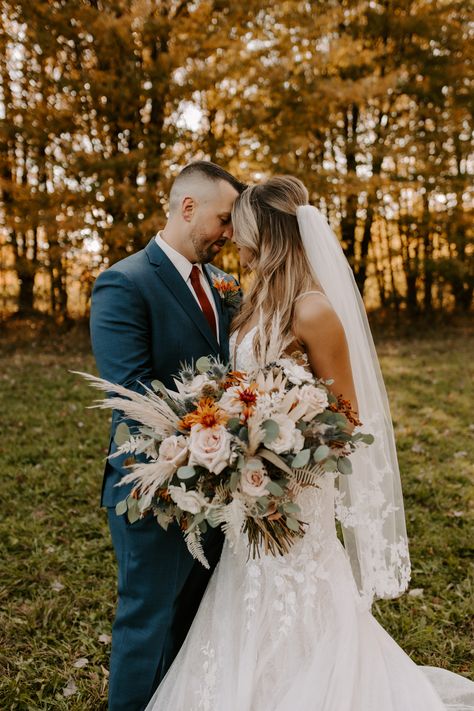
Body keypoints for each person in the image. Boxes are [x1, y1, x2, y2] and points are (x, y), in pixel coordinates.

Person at [145, 176, 474, 710]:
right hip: (250, 492)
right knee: (248, 591)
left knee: (302, 601)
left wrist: (281, 463)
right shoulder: (253, 302)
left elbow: (348, 418)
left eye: (241, 229)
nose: (232, 239)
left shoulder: (315, 310)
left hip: (296, 491)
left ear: (268, 235)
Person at [89, 160, 246, 711]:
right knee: (147, 620)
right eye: (224, 220)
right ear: (187, 208)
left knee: (193, 620)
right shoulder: (123, 282)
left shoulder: (222, 285)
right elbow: (132, 393)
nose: (230, 234)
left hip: (223, 485)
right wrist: (223, 426)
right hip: (154, 486)